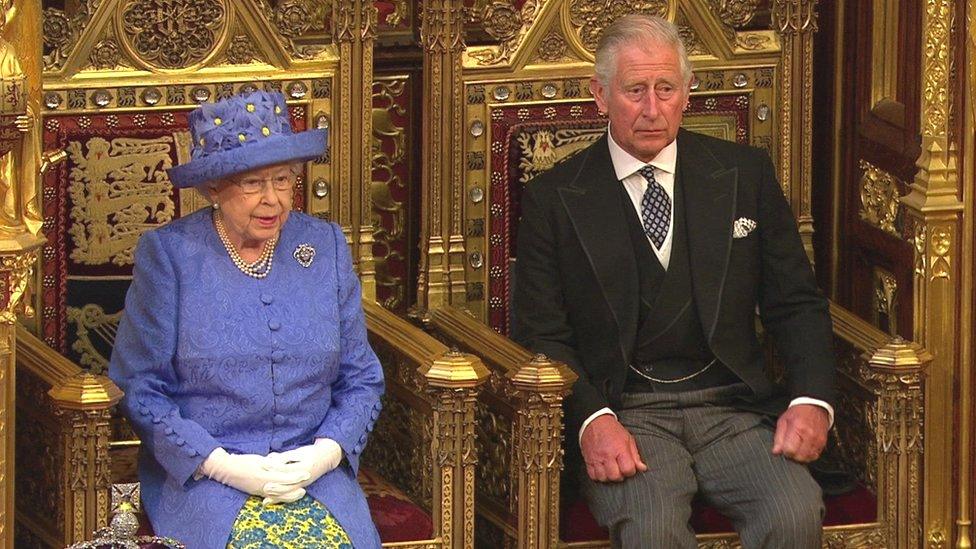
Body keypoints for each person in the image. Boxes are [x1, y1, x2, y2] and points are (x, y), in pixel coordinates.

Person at [512, 15, 835, 548]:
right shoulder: (554, 198)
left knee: (793, 512)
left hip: (732, 408)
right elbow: (541, 334)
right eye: (635, 90)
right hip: (628, 413)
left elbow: (796, 303)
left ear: (687, 93)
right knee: (654, 530)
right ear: (600, 95)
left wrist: (811, 400)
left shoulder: (744, 175)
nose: (652, 109)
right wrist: (592, 417)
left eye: (665, 89)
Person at [109, 90, 385, 548]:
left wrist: (325, 453)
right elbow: (139, 387)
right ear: (214, 188)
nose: (272, 200)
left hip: (313, 478)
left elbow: (361, 377)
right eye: (253, 184)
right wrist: (220, 463)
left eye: (282, 180)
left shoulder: (325, 246)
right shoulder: (172, 256)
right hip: (205, 482)